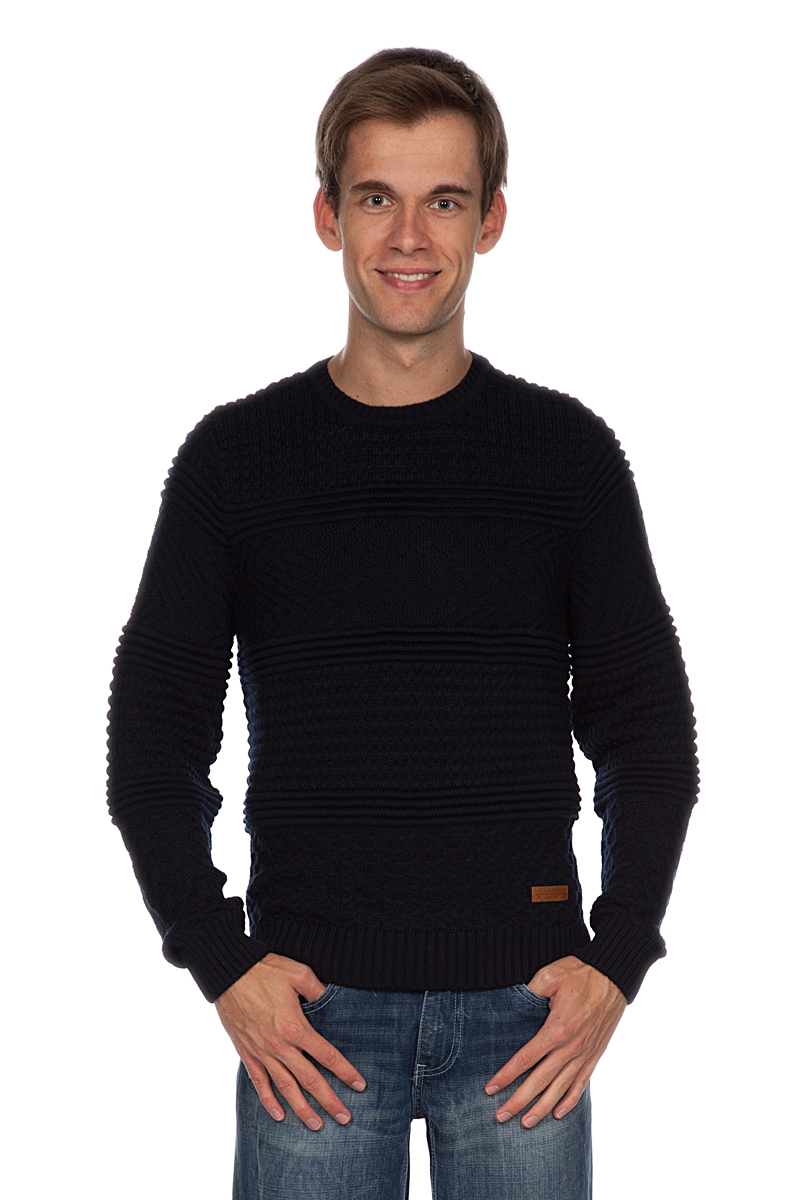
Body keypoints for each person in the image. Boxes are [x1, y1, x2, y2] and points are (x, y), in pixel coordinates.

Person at [106, 46, 699, 1200]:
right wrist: (218, 961)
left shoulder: (566, 458)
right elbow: (152, 739)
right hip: (310, 1022)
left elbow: (645, 734)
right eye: (377, 198)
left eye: (445, 201)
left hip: (525, 1017)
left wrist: (619, 955)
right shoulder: (235, 461)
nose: (409, 237)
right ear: (327, 217)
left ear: (491, 221)